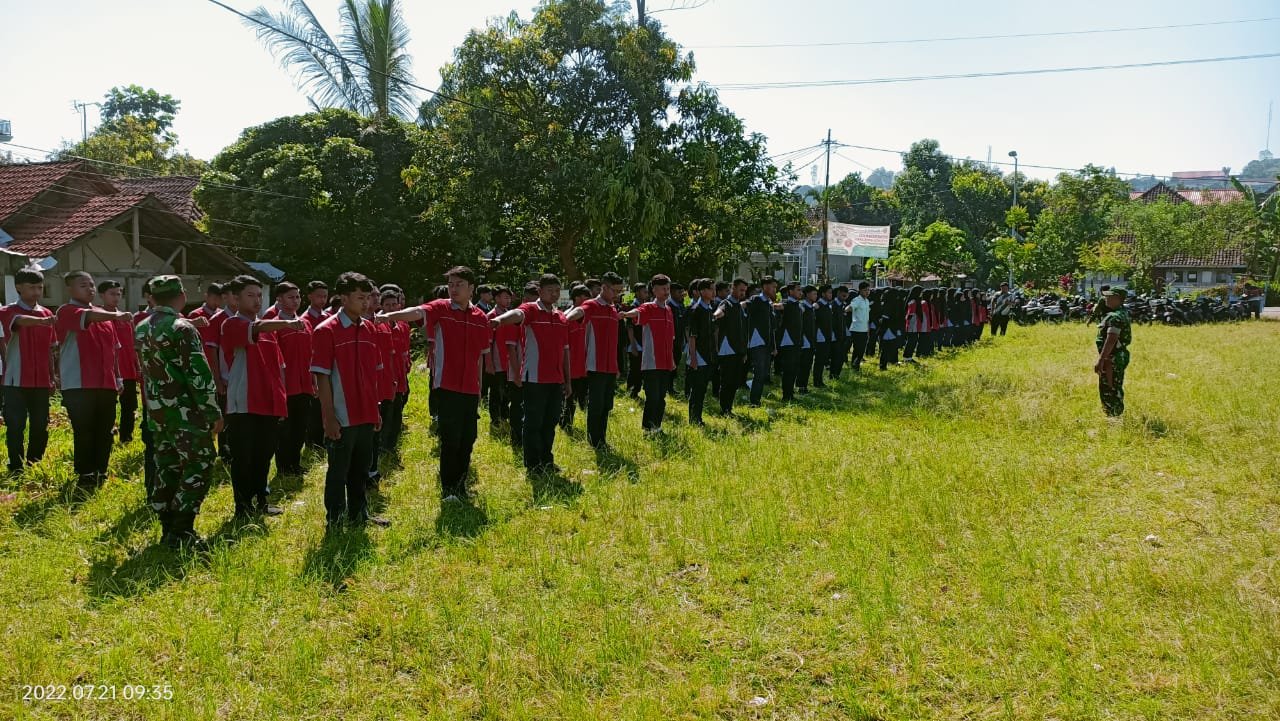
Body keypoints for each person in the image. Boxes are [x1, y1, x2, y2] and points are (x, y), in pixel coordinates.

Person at [382, 266, 491, 501]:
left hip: (470, 388)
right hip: (447, 386)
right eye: (451, 284)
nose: (453, 289)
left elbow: (480, 358)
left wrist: (480, 388)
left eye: (459, 284)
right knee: (451, 439)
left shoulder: (480, 318)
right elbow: (417, 311)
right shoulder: (441, 308)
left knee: (468, 438)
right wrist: (390, 316)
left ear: (471, 288)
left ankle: (461, 485)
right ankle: (449, 488)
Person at [134, 276, 224, 550]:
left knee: (167, 466)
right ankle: (182, 529)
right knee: (200, 462)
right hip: (186, 412)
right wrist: (213, 411)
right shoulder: (182, 327)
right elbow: (198, 374)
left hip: (157, 411)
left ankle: (167, 527)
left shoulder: (141, 327)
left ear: (153, 297)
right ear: (182, 296)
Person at [311, 272, 390, 529]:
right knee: (338, 470)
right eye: (360, 298)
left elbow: (373, 374)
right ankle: (334, 519)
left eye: (368, 297)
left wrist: (375, 408)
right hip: (342, 415)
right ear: (344, 299)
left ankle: (359, 515)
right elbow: (322, 377)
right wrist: (328, 417)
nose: (366, 303)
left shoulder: (370, 329)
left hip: (365, 412)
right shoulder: (326, 331)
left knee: (361, 469)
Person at [221, 275, 297, 518]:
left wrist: (281, 399)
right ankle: (243, 506)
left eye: (259, 295)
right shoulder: (232, 324)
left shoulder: (269, 330)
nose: (256, 300)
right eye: (250, 295)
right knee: (243, 456)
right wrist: (286, 323)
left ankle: (262, 500)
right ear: (235, 299)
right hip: (243, 403)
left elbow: (279, 368)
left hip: (269, 401)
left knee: (264, 455)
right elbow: (255, 329)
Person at [57, 271, 132, 488]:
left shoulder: (104, 316)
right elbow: (87, 317)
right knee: (84, 429)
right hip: (78, 383)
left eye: (91, 285)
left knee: (105, 430)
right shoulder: (66, 311)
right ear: (69, 289)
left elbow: (114, 350)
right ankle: (85, 473)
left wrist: (118, 377)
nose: (89, 289)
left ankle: (101, 470)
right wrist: (115, 316)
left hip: (106, 383)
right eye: (83, 285)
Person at [491, 274, 571, 474]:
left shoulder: (560, 317)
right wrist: (499, 320)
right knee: (533, 421)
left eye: (557, 291)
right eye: (550, 290)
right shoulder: (531, 310)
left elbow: (565, 351)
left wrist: (567, 381)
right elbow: (517, 314)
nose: (554, 294)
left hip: (556, 379)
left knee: (551, 421)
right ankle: (533, 464)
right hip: (534, 378)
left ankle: (547, 459)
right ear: (540, 291)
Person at [1, 268, 57, 474]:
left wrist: (52, 376)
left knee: (40, 425)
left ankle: (35, 464)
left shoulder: (47, 313)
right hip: (14, 380)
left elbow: (51, 349)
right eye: (31, 287)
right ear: (18, 287)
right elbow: (19, 321)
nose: (36, 292)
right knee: (15, 425)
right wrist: (42, 322)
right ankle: (16, 466)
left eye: (40, 288)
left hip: (41, 380)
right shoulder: (7, 311)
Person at [563, 272, 623, 449]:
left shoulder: (613, 309)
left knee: (606, 405)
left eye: (619, 291)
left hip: (610, 366)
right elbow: (579, 312)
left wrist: (616, 366)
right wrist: (565, 319)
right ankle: (594, 440)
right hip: (595, 365)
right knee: (596, 405)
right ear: (604, 287)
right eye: (614, 291)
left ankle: (602, 439)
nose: (617, 295)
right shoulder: (591, 305)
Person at [269, 282, 315, 476]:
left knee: (300, 427)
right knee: (284, 429)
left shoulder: (305, 323)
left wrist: (313, 381)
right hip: (286, 385)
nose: (295, 301)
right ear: (279, 299)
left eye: (297, 297)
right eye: (290, 297)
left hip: (304, 384)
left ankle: (295, 464)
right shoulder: (274, 324)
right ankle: (283, 467)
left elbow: (311, 354)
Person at [620, 274, 676, 432]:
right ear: (654, 290)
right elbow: (637, 312)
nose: (666, 292)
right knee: (653, 397)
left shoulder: (669, 310)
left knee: (661, 397)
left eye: (668, 288)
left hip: (666, 362)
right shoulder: (649, 307)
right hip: (651, 361)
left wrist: (672, 359)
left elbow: (671, 338)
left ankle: (657, 426)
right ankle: (647, 427)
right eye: (663, 289)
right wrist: (625, 314)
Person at [98, 280, 141, 445]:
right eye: (112, 294)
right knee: (107, 407)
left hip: (127, 369)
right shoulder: (97, 317)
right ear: (102, 295)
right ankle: (105, 439)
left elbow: (131, 345)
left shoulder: (126, 318)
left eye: (118, 294)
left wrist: (137, 366)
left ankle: (126, 438)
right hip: (107, 370)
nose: (116, 297)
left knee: (129, 406)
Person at [1094, 287, 1133, 417]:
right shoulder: (1121, 313)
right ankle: (1115, 414)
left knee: (1109, 388)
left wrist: (1101, 360)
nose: (1106, 298)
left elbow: (1111, 339)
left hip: (1111, 357)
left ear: (1118, 299)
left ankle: (1113, 416)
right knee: (1115, 385)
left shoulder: (1115, 317)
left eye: (1109, 296)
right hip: (1117, 355)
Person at [713, 278, 748, 414]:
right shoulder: (726, 303)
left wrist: (744, 351)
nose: (743, 293)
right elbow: (719, 312)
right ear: (733, 288)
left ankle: (729, 408)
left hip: (738, 349)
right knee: (727, 381)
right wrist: (716, 315)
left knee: (734, 382)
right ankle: (724, 409)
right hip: (727, 350)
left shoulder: (739, 306)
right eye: (740, 290)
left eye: (744, 291)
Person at [685, 278, 716, 425]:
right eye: (711, 289)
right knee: (697, 389)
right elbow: (692, 336)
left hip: (708, 354)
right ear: (702, 291)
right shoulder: (696, 310)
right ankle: (694, 418)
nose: (714, 292)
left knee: (702, 389)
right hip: (699, 355)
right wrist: (693, 358)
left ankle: (698, 417)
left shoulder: (709, 309)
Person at [560, 285, 591, 430]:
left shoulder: (586, 315)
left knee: (582, 396)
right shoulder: (567, 317)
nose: (588, 300)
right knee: (569, 397)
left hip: (583, 364)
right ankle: (565, 424)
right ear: (577, 297)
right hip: (571, 365)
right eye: (586, 297)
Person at [744, 277, 778, 406]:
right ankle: (754, 401)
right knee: (759, 372)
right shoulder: (756, 299)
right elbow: (744, 305)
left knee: (763, 373)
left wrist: (774, 346)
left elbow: (772, 328)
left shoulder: (768, 304)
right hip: (757, 341)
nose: (775, 290)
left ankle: (755, 397)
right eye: (773, 287)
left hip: (766, 342)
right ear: (765, 287)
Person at [484, 286, 513, 428]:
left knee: (507, 391)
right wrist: (489, 363)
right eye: (505, 297)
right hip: (497, 360)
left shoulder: (510, 315)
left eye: (509, 297)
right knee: (496, 391)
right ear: (497, 298)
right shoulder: (492, 316)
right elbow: (487, 342)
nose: (508, 300)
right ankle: (495, 419)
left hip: (508, 361)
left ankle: (504, 415)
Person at [777, 283, 804, 401]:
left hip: (796, 341)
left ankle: (790, 394)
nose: (800, 292)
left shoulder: (798, 305)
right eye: (798, 290)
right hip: (788, 342)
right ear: (790, 291)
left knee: (794, 369)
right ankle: (786, 395)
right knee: (788, 370)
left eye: (801, 290)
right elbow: (779, 306)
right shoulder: (787, 303)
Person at [812, 284, 833, 387]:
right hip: (820, 336)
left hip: (827, 336)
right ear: (823, 294)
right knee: (819, 360)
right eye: (829, 293)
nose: (831, 295)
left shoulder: (828, 305)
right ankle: (816, 381)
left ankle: (819, 380)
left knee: (823, 359)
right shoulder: (818, 305)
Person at [847, 282, 871, 371]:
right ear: (860, 290)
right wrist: (845, 309)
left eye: (868, 290)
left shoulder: (867, 301)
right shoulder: (857, 300)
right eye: (865, 290)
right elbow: (849, 307)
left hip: (864, 329)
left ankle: (855, 365)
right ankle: (855, 364)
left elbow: (867, 316)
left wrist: (868, 329)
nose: (867, 292)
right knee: (858, 349)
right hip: (856, 329)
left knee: (861, 349)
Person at [829, 285, 850, 379]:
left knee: (841, 356)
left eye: (846, 296)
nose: (845, 298)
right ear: (838, 293)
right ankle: (832, 374)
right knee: (835, 356)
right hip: (835, 335)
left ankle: (837, 374)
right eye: (843, 296)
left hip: (842, 334)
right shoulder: (833, 305)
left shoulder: (843, 305)